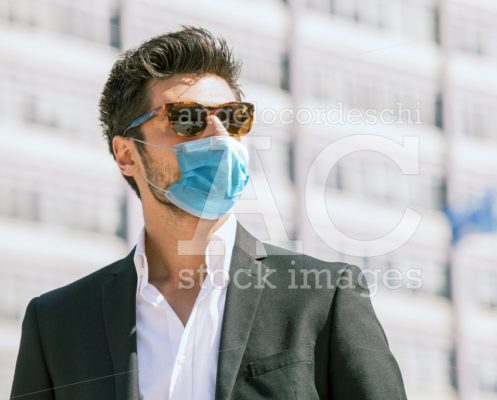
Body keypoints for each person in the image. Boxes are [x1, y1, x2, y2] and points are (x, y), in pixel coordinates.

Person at [11, 26, 407, 400]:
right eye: (187, 119)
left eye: (234, 118)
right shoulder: (58, 323)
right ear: (127, 153)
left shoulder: (323, 297)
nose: (218, 136)